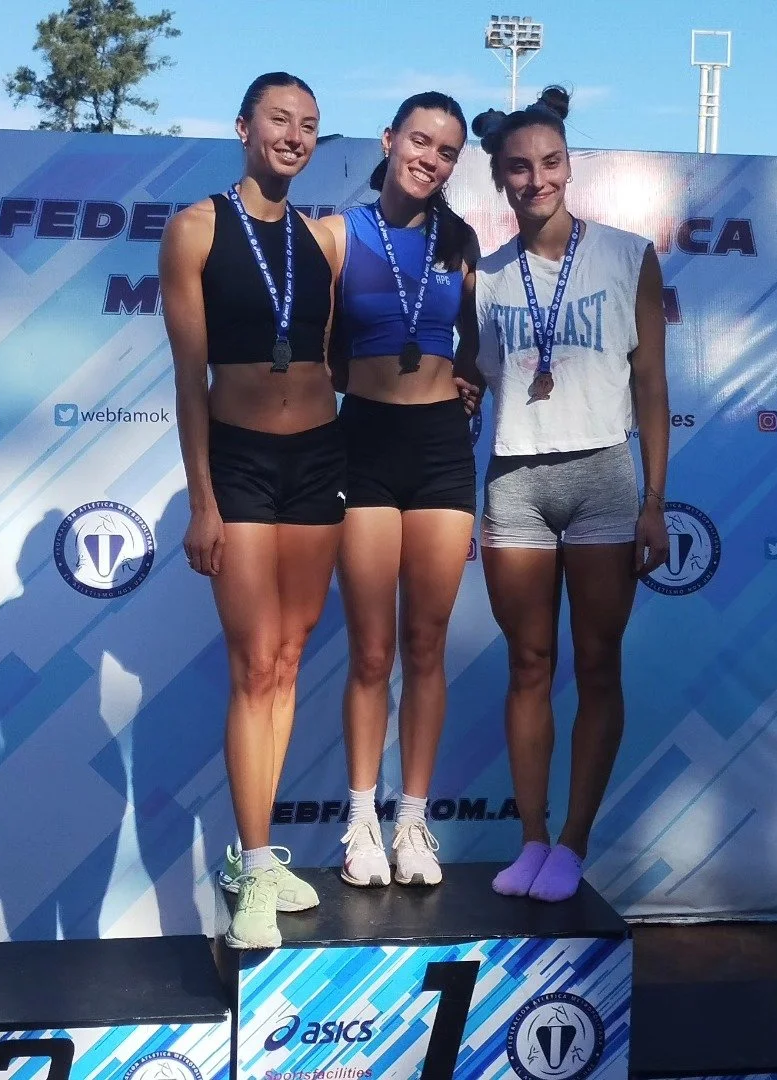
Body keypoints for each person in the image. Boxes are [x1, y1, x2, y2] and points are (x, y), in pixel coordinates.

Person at [465, 86, 670, 902]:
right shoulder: (481, 275)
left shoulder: (629, 255)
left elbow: (650, 382)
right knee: (528, 664)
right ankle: (532, 838)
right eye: (519, 166)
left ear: (568, 165)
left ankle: (575, 841)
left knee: (596, 664)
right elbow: (473, 380)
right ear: (500, 178)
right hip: (514, 481)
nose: (536, 178)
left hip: (602, 479)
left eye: (549, 162)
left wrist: (655, 499)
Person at [159, 72, 343, 949]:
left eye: (309, 125)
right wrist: (201, 498)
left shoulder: (322, 239)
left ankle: (263, 861)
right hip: (236, 463)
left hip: (317, 462)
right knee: (253, 662)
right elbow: (189, 378)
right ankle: (254, 860)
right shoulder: (194, 229)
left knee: (292, 656)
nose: (295, 135)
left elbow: (353, 352)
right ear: (243, 127)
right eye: (280, 119)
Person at [321, 92, 479, 889]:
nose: (432, 158)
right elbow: (315, 356)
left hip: (443, 454)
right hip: (367, 446)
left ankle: (413, 823)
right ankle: (360, 824)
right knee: (373, 650)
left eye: (448, 150)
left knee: (427, 645)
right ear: (390, 141)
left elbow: (472, 352)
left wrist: (469, 385)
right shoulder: (339, 234)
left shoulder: (461, 241)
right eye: (421, 140)